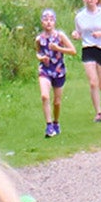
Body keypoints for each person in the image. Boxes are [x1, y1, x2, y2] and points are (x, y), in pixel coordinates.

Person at [33, 8, 76, 139]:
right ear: (42, 22)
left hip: (58, 70)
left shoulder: (60, 36)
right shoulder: (39, 39)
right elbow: (38, 52)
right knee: (45, 96)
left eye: (51, 20)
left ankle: (56, 122)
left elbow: (73, 51)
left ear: (55, 22)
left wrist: (58, 48)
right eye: (45, 20)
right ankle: (49, 125)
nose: (48, 23)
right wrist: (40, 58)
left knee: (57, 102)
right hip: (45, 70)